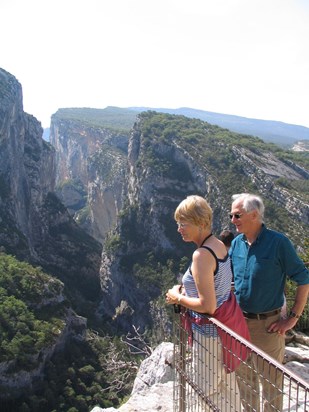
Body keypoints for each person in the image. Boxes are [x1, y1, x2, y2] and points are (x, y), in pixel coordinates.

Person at [165, 195, 250, 411]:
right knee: (227, 388)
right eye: (178, 223)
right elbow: (214, 285)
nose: (178, 229)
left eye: (183, 224)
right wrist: (184, 289)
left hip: (210, 335)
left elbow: (208, 306)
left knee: (204, 390)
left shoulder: (201, 255)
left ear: (201, 223)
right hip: (225, 332)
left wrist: (178, 298)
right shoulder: (218, 244)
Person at [229, 193, 309, 412]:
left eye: (237, 215)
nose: (232, 220)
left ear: (254, 215)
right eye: (231, 215)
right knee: (245, 380)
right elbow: (232, 281)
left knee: (271, 382)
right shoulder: (236, 244)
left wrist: (292, 318)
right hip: (239, 323)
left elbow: (304, 279)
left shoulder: (278, 243)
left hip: (268, 326)